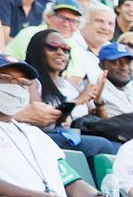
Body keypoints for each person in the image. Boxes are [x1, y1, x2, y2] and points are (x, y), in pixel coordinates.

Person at [0, 53, 133, 197]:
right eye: (5, 80)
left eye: (23, 83)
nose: (15, 88)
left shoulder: (34, 134)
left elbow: (70, 181)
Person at [23, 28, 119, 157]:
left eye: (65, 49)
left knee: (120, 146)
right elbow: (40, 118)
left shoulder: (70, 85)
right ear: (38, 50)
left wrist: (99, 102)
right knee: (102, 145)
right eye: (52, 47)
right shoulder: (32, 81)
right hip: (47, 137)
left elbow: (100, 122)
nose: (60, 52)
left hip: (76, 135)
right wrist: (78, 100)